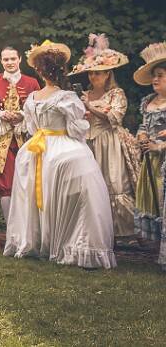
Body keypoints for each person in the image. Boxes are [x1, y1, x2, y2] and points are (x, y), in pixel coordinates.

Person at [3, 41, 115, 269]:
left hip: (37, 148)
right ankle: (74, 244)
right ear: (61, 69)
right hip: (62, 145)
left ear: (40, 71)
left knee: (37, 195)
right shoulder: (67, 97)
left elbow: (32, 128)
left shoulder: (33, 98)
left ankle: (37, 240)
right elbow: (76, 129)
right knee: (83, 191)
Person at [68, 34, 138, 237]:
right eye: (91, 73)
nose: (93, 77)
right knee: (91, 186)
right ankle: (97, 231)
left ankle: (125, 232)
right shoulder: (85, 94)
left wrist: (90, 107)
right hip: (88, 144)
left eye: (98, 73)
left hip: (109, 143)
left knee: (114, 183)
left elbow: (115, 117)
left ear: (108, 74)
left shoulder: (117, 93)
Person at [0, 46, 41, 222]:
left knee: (27, 183)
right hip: (1, 143)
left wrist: (22, 116)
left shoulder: (32, 83)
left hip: (26, 141)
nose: (10, 62)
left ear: (19, 59)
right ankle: (10, 228)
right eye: (6, 59)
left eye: (13, 58)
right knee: (4, 186)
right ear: (1, 61)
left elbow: (39, 110)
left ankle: (27, 226)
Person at [133, 42, 166, 257]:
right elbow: (144, 126)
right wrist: (143, 136)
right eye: (154, 75)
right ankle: (157, 246)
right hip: (150, 160)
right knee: (152, 200)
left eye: (160, 75)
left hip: (163, 159)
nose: (155, 79)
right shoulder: (148, 102)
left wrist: (159, 146)